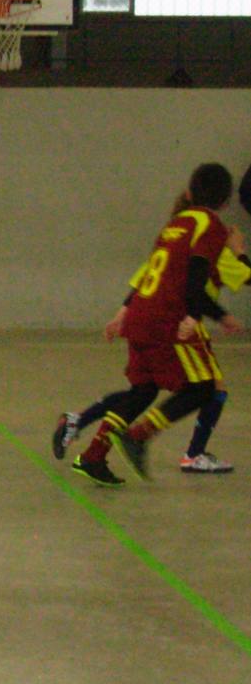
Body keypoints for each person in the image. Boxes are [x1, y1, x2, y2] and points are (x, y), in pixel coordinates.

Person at [64, 163, 242, 486]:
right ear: (227, 200)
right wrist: (199, 315)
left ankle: (93, 456)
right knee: (202, 388)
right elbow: (196, 276)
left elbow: (151, 272)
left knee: (143, 390)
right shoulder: (211, 225)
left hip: (141, 315)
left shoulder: (175, 224)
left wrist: (123, 313)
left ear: (189, 193)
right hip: (166, 319)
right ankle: (140, 436)